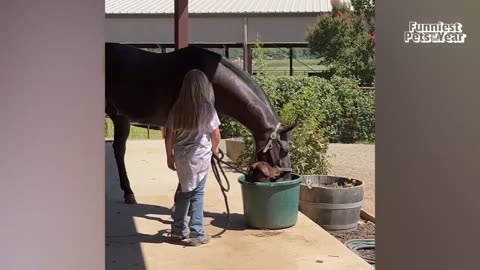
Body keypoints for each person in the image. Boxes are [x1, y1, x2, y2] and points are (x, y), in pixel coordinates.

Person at [164, 69, 221, 246]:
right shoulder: (207, 109)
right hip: (200, 159)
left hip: (182, 159)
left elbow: (169, 136)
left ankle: (178, 230)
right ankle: (197, 234)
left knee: (184, 193)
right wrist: (215, 150)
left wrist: (169, 156)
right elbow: (216, 135)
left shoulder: (177, 109)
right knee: (197, 195)